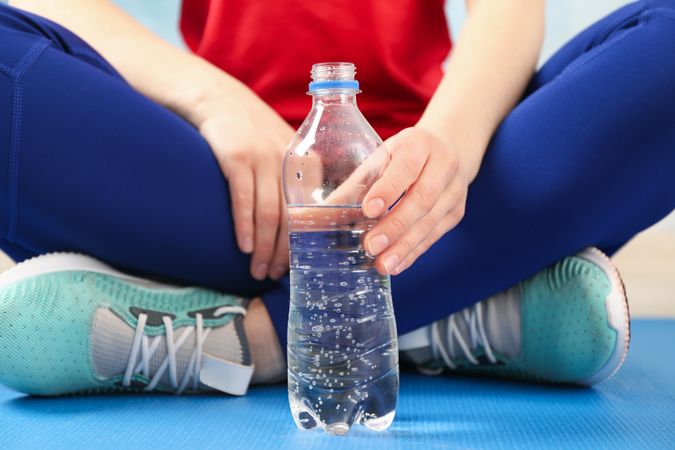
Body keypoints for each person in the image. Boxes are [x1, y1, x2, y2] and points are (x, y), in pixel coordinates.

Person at [0, 0, 673, 396]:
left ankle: (260, 340)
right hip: (234, 195)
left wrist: (446, 150)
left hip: (433, 203)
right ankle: (437, 310)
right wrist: (212, 99)